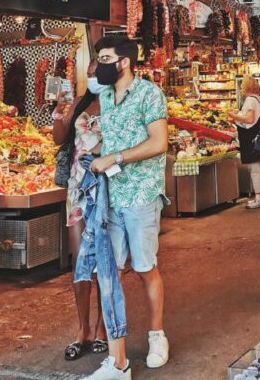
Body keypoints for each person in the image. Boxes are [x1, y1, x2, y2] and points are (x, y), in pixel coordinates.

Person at [85, 37, 170, 380]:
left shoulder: (150, 94)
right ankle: (117, 359)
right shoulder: (105, 97)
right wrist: (94, 148)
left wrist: (114, 158)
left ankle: (157, 335)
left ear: (123, 62)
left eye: (105, 58)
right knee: (111, 273)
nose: (98, 65)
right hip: (111, 195)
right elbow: (114, 139)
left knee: (146, 268)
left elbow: (159, 142)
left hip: (142, 194)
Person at [51, 66, 108, 361]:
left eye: (100, 68)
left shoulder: (117, 101)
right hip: (77, 191)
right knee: (80, 263)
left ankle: (102, 328)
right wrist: (60, 110)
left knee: (103, 263)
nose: (94, 74)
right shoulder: (80, 103)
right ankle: (83, 328)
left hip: (107, 188)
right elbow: (59, 138)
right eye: (91, 69)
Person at [228, 76, 260, 210]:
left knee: (254, 169)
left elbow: (249, 119)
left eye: (242, 85)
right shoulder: (258, 98)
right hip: (256, 138)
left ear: (246, 87)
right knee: (257, 169)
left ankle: (259, 198)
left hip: (250, 139)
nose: (241, 88)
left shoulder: (250, 99)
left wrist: (234, 116)